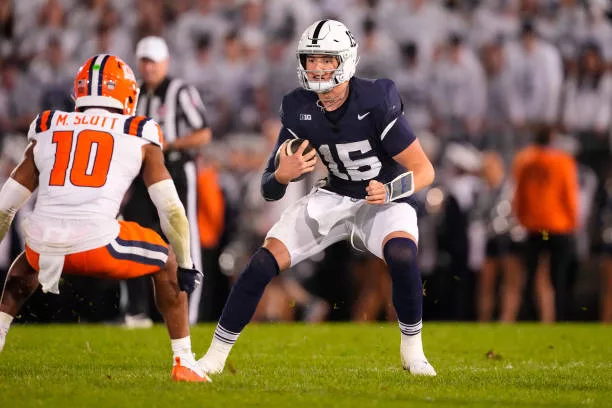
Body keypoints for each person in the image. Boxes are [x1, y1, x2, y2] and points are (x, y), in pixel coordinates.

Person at [197, 20, 436, 376]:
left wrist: (390, 190)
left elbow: (424, 169)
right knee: (262, 263)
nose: (318, 68)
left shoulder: (375, 98)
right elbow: (268, 188)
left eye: (327, 60)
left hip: (381, 197)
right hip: (333, 194)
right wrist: (282, 173)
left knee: (402, 255)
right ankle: (213, 359)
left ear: (346, 61)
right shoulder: (298, 106)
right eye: (311, 60)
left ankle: (413, 352)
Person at [0, 54, 209, 382]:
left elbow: (5, 206)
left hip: (44, 245)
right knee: (166, 260)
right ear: (126, 94)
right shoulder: (140, 129)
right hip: (98, 244)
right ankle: (184, 362)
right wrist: (185, 263)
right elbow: (171, 210)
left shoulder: (47, 124)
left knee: (23, 265)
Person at [121, 36, 211, 326]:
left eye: (153, 62)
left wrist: (167, 145)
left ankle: (190, 313)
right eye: (144, 62)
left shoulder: (179, 91)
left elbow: (203, 133)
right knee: (132, 234)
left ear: (165, 62)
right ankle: (136, 311)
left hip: (175, 169)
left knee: (185, 238)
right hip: (142, 172)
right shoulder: (133, 94)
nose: (148, 68)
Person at [512, 125, 579, 322]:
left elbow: (519, 195)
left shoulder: (526, 162)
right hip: (558, 226)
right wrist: (573, 220)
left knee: (532, 274)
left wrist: (522, 219)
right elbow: (569, 193)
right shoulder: (563, 161)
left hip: (535, 227)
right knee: (558, 275)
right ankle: (558, 316)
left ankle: (531, 316)